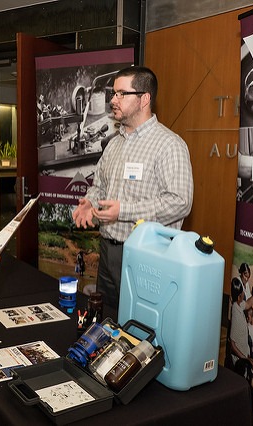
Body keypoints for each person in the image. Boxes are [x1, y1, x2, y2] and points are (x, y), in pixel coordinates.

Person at [72, 66, 194, 309]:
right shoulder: (113, 145)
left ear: (144, 99)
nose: (113, 100)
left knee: (137, 330)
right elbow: (100, 187)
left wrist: (123, 211)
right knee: (106, 324)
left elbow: (180, 202)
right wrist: (90, 202)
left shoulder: (169, 145)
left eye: (121, 94)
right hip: (108, 253)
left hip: (148, 258)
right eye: (113, 94)